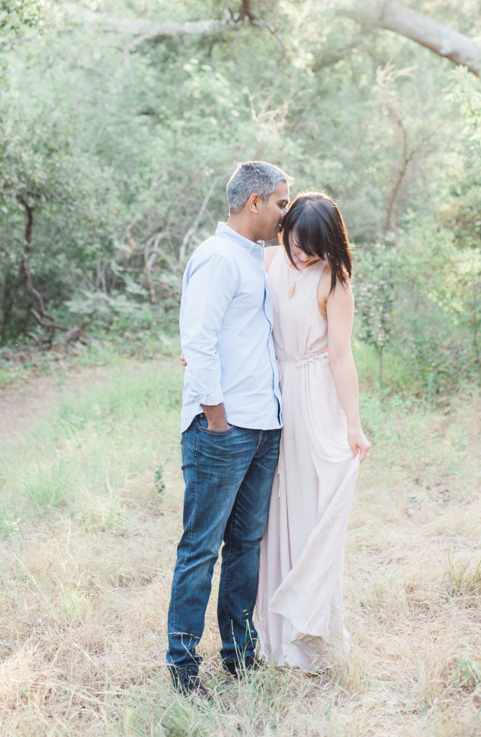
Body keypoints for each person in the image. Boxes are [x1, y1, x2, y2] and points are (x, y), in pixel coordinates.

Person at [167, 160, 291, 695]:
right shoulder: (218, 258)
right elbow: (197, 342)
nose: (286, 212)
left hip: (263, 428)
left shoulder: (255, 259)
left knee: (246, 546)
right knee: (201, 548)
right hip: (224, 429)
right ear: (255, 201)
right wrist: (217, 418)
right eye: (282, 202)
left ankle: (240, 656)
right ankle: (182, 667)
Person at [255, 191, 371, 671]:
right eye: (293, 242)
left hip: (312, 397)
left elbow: (340, 355)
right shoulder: (267, 259)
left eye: (309, 247)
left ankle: (310, 636)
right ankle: (272, 635)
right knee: (271, 513)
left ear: (328, 245)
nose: (299, 253)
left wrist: (354, 424)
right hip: (268, 390)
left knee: (309, 507)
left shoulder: (334, 281)